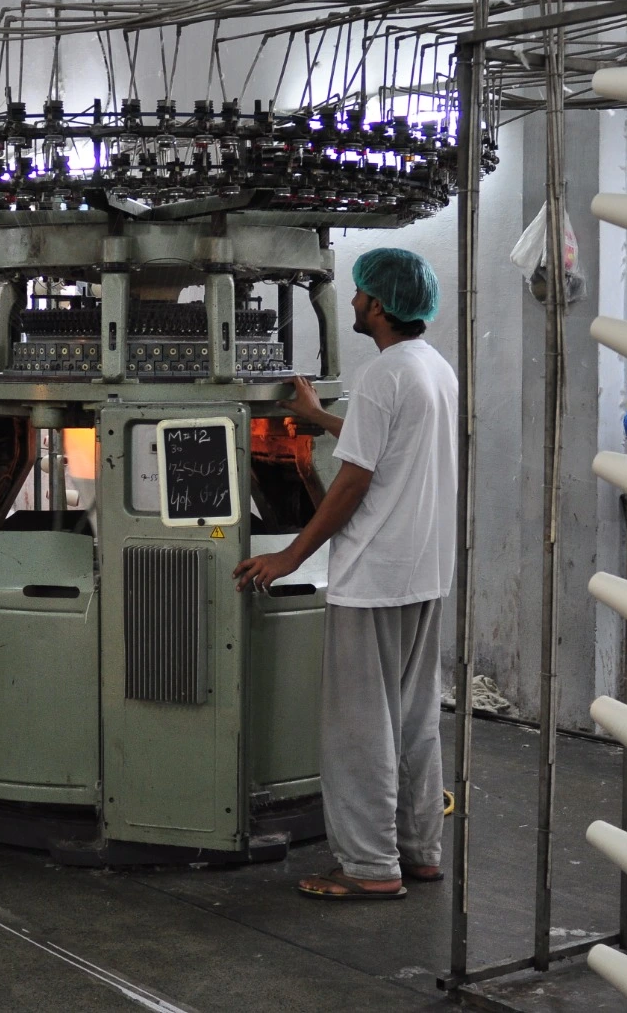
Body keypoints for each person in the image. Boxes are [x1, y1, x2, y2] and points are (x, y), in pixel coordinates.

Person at [233, 247, 458, 901]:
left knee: (359, 728)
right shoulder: (432, 367)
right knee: (414, 721)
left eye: (359, 293)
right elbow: (385, 444)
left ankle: (367, 865)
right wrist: (317, 419)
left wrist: (289, 556)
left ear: (379, 306)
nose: (353, 301)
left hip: (373, 575)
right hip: (424, 571)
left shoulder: (384, 374)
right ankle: (418, 851)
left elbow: (355, 480)